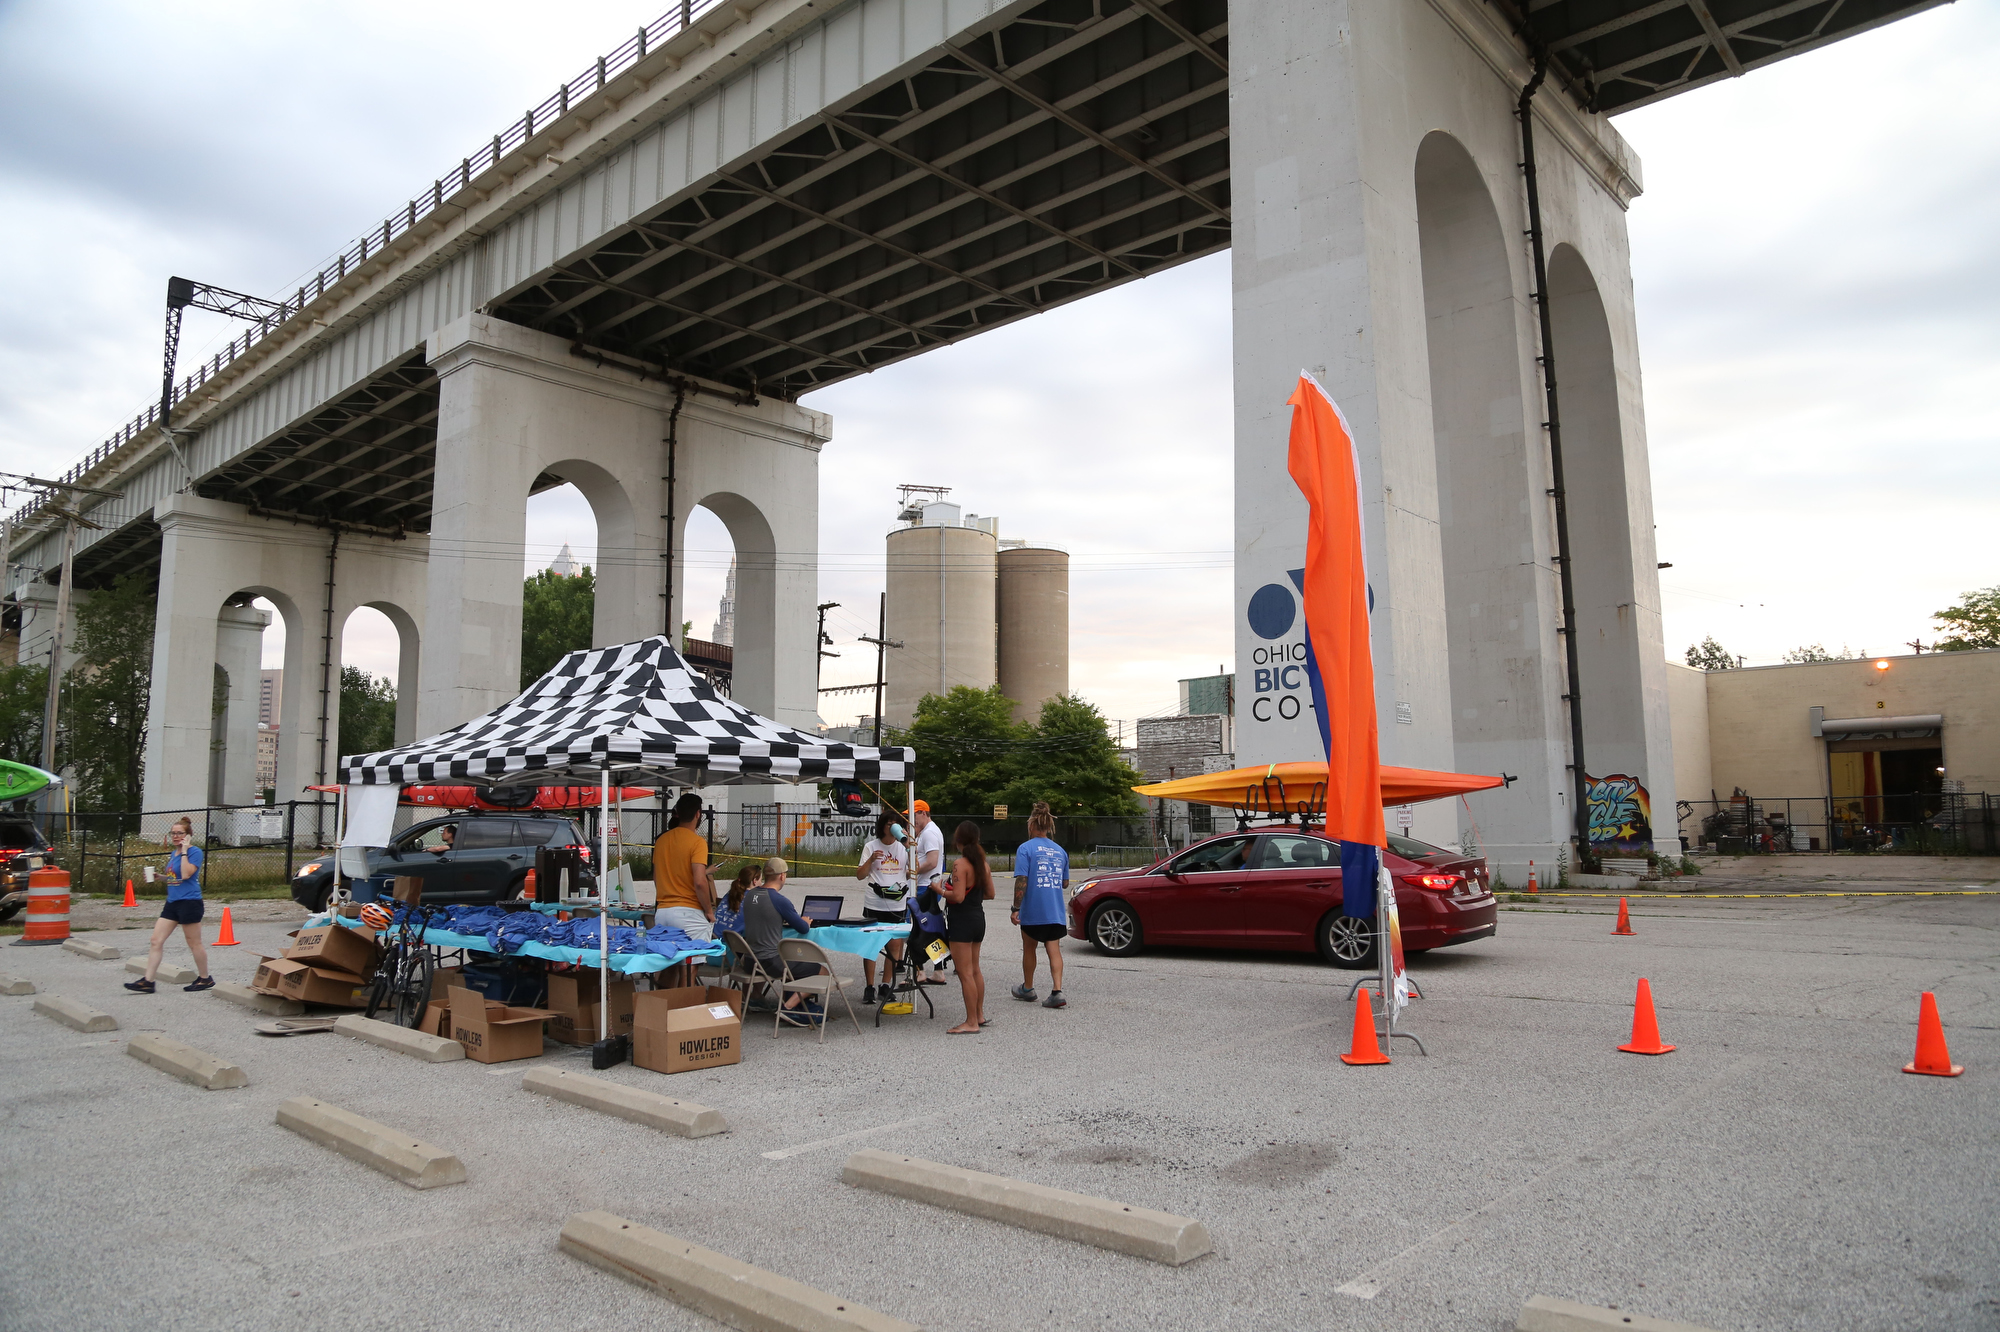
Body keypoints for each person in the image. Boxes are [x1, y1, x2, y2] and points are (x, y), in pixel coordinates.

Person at [124, 818, 212, 994]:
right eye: (173, 833)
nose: (175, 836)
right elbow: (176, 877)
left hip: (189, 901)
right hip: (172, 902)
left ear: (188, 836)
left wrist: (185, 850)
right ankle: (148, 981)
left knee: (194, 943)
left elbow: (187, 875)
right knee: (156, 940)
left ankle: (205, 978)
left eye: (180, 833)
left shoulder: (194, 852)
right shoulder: (174, 854)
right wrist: (161, 877)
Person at [740, 858, 822, 1026]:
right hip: (770, 962)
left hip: (750, 961)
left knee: (793, 961)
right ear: (782, 877)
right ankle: (789, 1007)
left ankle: (791, 1001)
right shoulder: (779, 900)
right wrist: (805, 921)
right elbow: (803, 929)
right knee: (822, 971)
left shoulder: (749, 895)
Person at [1010, 801, 1070, 1009]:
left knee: (1029, 947)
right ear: (1048, 826)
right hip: (1054, 911)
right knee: (1054, 949)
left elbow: (1021, 880)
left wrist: (1016, 908)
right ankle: (1057, 990)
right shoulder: (1061, 851)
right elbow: (1064, 883)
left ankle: (1028, 988)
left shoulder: (1025, 849)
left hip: (1033, 911)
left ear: (1031, 825)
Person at [938, 820, 992, 1033]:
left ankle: (970, 1022)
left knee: (964, 972)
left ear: (959, 839)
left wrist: (939, 890)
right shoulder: (983, 864)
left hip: (962, 921)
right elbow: (990, 893)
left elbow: (957, 896)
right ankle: (978, 1014)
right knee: (975, 969)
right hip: (978, 917)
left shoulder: (961, 864)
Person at [855, 810, 911, 1004]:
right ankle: (869, 986)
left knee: (894, 946)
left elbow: (912, 873)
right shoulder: (871, 846)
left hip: (896, 903)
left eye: (896, 824)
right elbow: (860, 875)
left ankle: (886, 984)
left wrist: (910, 849)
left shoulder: (903, 847)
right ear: (882, 826)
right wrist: (871, 860)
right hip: (875, 901)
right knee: (871, 945)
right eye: (889, 824)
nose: (892, 827)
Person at [652, 794, 715, 940]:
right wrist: (709, 910)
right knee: (691, 960)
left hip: (662, 911)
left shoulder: (661, 840)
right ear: (698, 814)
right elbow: (700, 881)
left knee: (668, 958)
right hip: (688, 911)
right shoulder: (697, 842)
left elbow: (656, 878)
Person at [909, 799, 949, 983]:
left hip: (926, 886)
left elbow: (932, 862)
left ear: (923, 813)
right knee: (930, 929)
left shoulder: (930, 833)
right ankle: (938, 970)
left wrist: (914, 872)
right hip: (929, 885)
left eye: (914, 815)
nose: (912, 819)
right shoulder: (926, 832)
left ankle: (920, 971)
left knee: (919, 930)